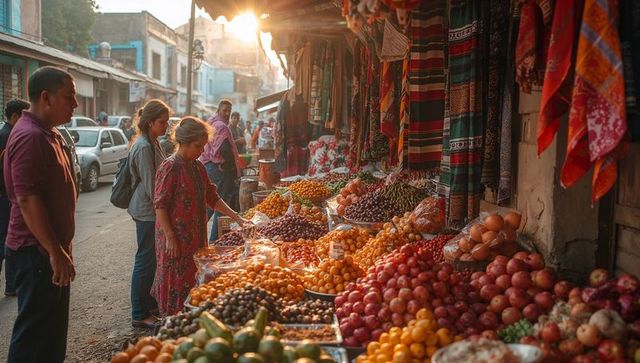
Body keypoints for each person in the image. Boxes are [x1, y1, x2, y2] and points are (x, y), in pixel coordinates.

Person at [4, 66, 78, 363]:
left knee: (51, 334)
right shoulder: (30, 136)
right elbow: (27, 199)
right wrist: (54, 250)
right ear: (45, 97)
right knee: (34, 338)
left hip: (51, 250)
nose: (75, 103)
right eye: (69, 96)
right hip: (36, 253)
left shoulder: (50, 133)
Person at [153, 117, 249, 316]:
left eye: (204, 146)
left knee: (194, 284)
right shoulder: (170, 167)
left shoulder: (197, 167)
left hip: (195, 239)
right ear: (184, 143)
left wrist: (237, 217)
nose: (202, 151)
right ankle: (171, 323)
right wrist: (170, 236)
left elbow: (212, 197)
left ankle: (191, 320)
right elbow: (160, 205)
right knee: (176, 285)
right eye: (198, 146)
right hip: (175, 241)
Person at [127, 99, 170, 328]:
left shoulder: (154, 142)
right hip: (146, 211)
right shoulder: (144, 146)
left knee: (152, 260)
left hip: (152, 210)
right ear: (151, 122)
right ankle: (138, 312)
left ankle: (150, 305)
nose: (166, 127)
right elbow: (153, 187)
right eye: (162, 122)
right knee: (145, 261)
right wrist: (166, 211)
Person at [0, 99, 30, 298]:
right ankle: (11, 284)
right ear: (14, 117)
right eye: (24, 116)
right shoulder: (8, 136)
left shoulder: (9, 134)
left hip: (5, 196)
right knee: (7, 240)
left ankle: (11, 284)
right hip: (5, 197)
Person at [199, 100, 240, 241]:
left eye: (229, 110)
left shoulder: (211, 121)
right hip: (219, 170)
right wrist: (227, 164)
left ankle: (196, 233)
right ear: (219, 110)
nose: (227, 113)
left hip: (208, 167)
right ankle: (215, 240)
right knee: (221, 204)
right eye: (225, 110)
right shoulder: (221, 126)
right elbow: (223, 150)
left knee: (210, 202)